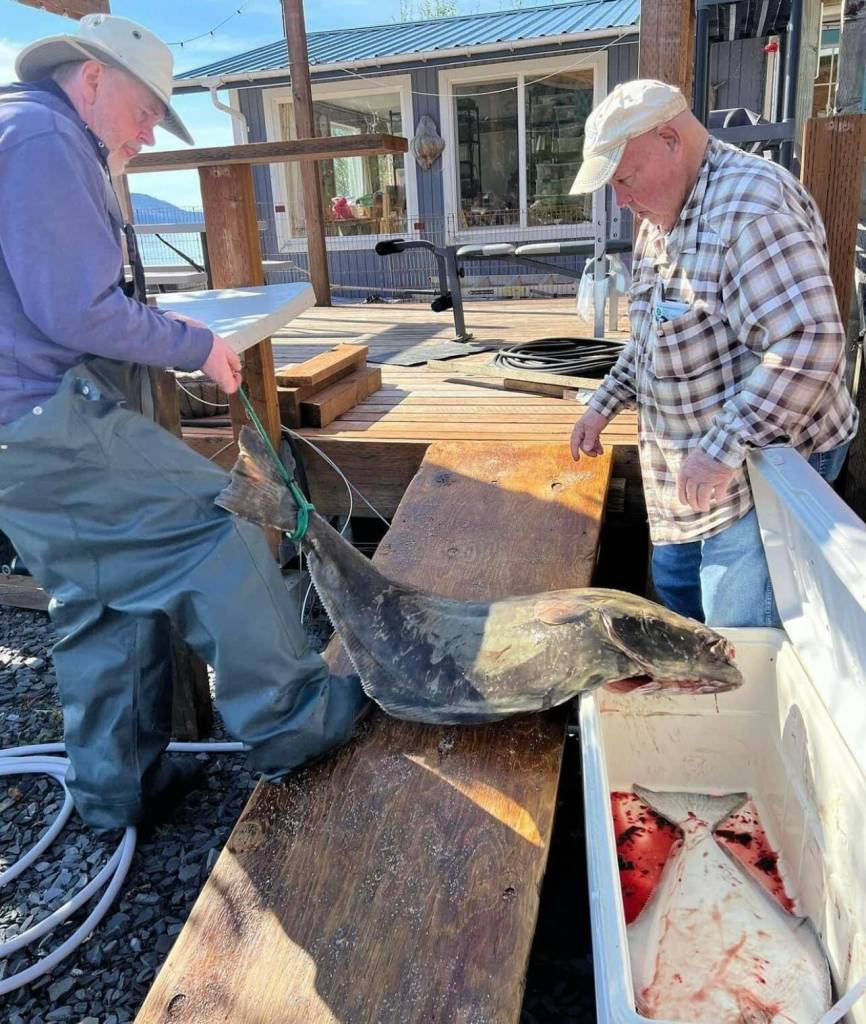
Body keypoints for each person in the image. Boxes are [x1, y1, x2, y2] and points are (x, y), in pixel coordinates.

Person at [0, 15, 367, 830]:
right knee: (218, 530)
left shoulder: (26, 131)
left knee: (104, 594)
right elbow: (76, 311)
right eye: (143, 110)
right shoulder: (44, 140)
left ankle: (118, 789)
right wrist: (193, 343)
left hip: (16, 435)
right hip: (45, 419)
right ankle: (295, 723)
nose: (146, 130)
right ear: (90, 78)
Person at [568, 79, 858, 627]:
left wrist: (721, 447)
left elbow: (811, 343)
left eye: (625, 178)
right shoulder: (662, 215)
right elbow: (653, 332)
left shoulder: (754, 208)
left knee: (737, 632)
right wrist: (602, 403)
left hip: (762, 462)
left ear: (671, 140)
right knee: (678, 589)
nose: (620, 199)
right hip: (691, 464)